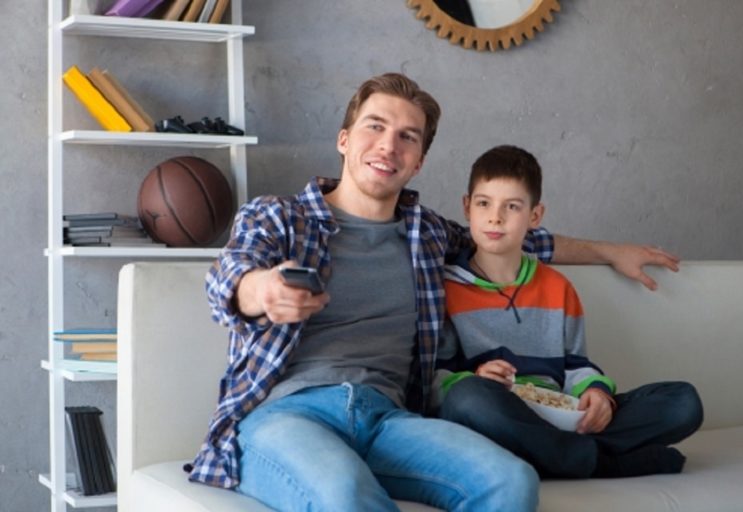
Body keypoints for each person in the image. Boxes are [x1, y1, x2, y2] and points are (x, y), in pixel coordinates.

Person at [187, 72, 681, 510]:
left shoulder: (426, 234)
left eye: (408, 137)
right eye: (375, 126)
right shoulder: (278, 216)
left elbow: (515, 237)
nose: (389, 146)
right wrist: (263, 290)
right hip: (288, 416)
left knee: (511, 482)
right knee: (344, 494)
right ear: (344, 139)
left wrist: (610, 251)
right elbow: (229, 275)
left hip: (389, 419)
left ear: (419, 161)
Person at [436, 144, 704, 479]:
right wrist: (476, 377)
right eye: (484, 203)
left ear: (535, 216)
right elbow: (438, 381)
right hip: (497, 413)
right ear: (467, 207)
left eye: (512, 206)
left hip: (558, 413)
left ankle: (556, 455)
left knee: (683, 402)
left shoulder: (557, 287)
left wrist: (595, 393)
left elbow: (576, 365)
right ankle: (601, 463)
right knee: (466, 399)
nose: (495, 217)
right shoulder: (446, 289)